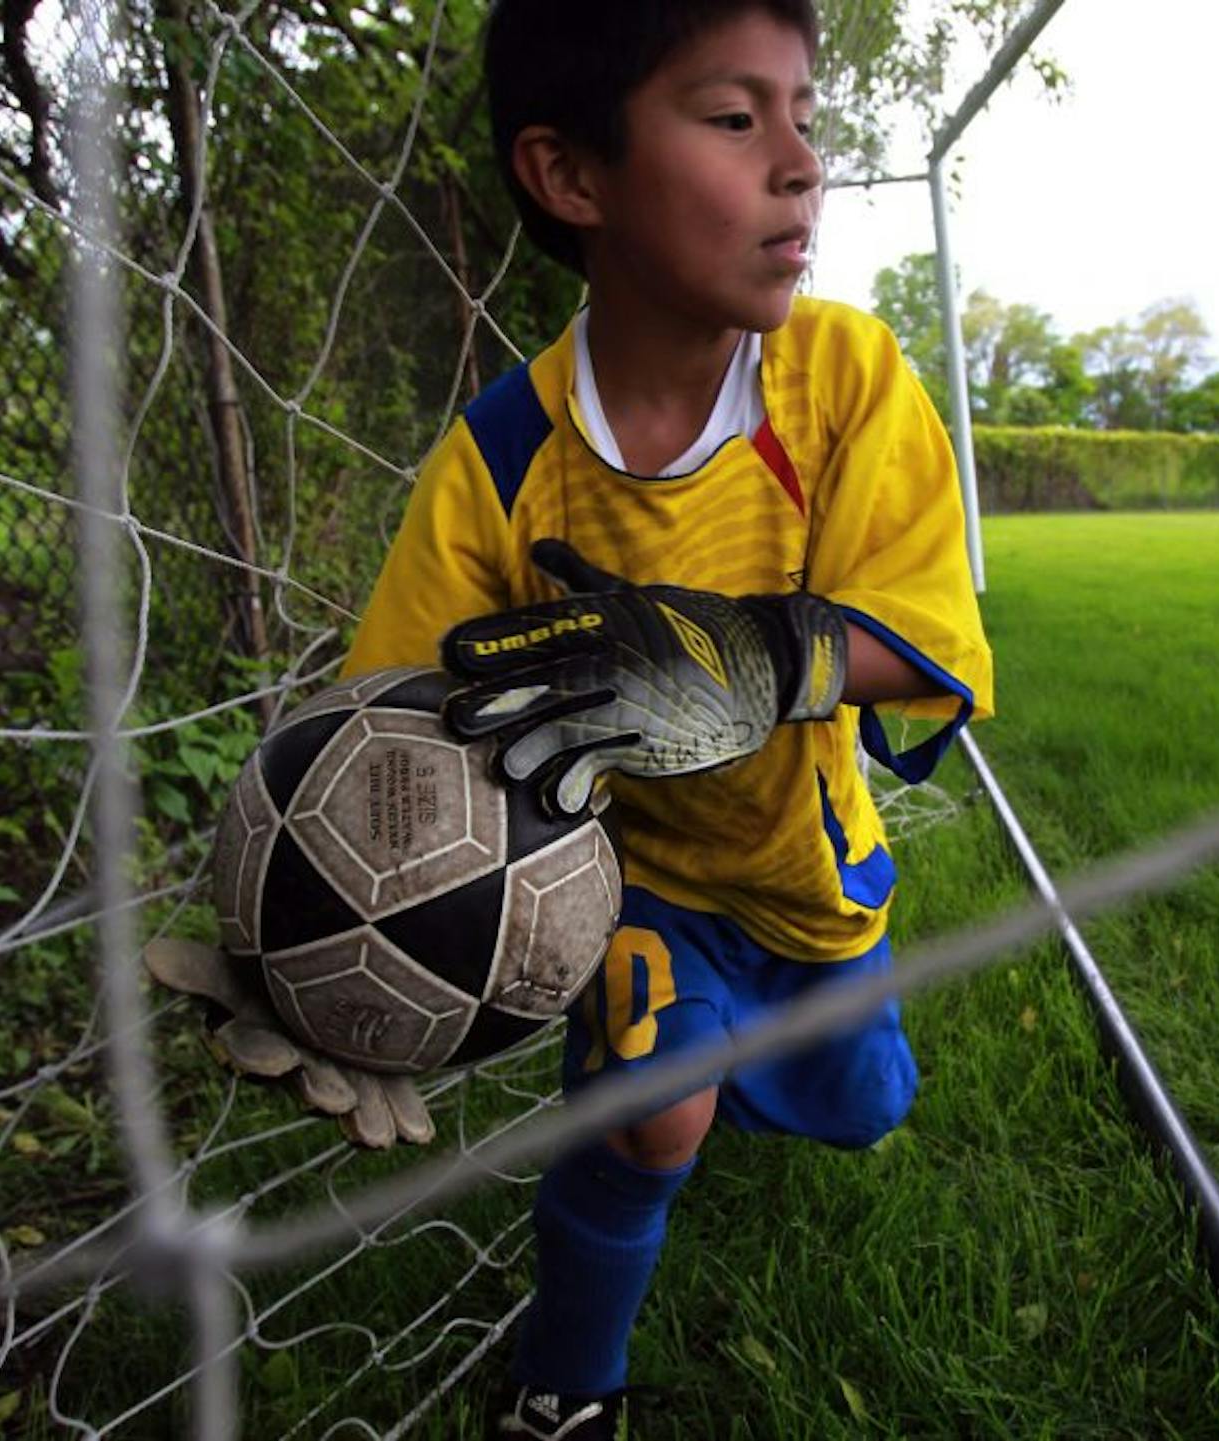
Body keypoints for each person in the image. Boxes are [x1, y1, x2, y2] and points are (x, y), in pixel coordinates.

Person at [343, 0, 992, 1434]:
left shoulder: (843, 380)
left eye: (804, 115)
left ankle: (766, 1065)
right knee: (652, 1111)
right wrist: (322, 939)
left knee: (865, 1099)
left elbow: (930, 626)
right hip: (619, 880)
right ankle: (568, 1387)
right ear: (572, 177)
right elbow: (389, 712)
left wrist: (758, 654)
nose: (801, 162)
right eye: (733, 116)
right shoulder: (505, 455)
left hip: (801, 872)